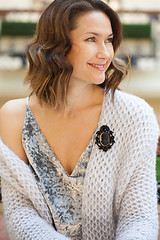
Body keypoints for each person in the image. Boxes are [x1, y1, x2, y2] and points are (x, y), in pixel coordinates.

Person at [0, 0, 159, 239]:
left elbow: (140, 217)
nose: (105, 53)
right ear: (58, 45)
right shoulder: (14, 117)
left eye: (108, 40)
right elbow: (20, 212)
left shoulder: (135, 115)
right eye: (91, 39)